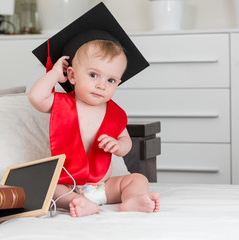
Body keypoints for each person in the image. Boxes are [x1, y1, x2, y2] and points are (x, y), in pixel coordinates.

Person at [28, 2, 160, 217]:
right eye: (93, 75)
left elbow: (126, 142)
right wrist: (53, 74)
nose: (102, 85)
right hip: (68, 185)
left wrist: (118, 145)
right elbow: (36, 97)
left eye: (111, 80)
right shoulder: (62, 103)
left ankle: (132, 199)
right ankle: (79, 203)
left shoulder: (115, 113)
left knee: (138, 179)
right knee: (47, 187)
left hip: (104, 185)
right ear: (71, 75)